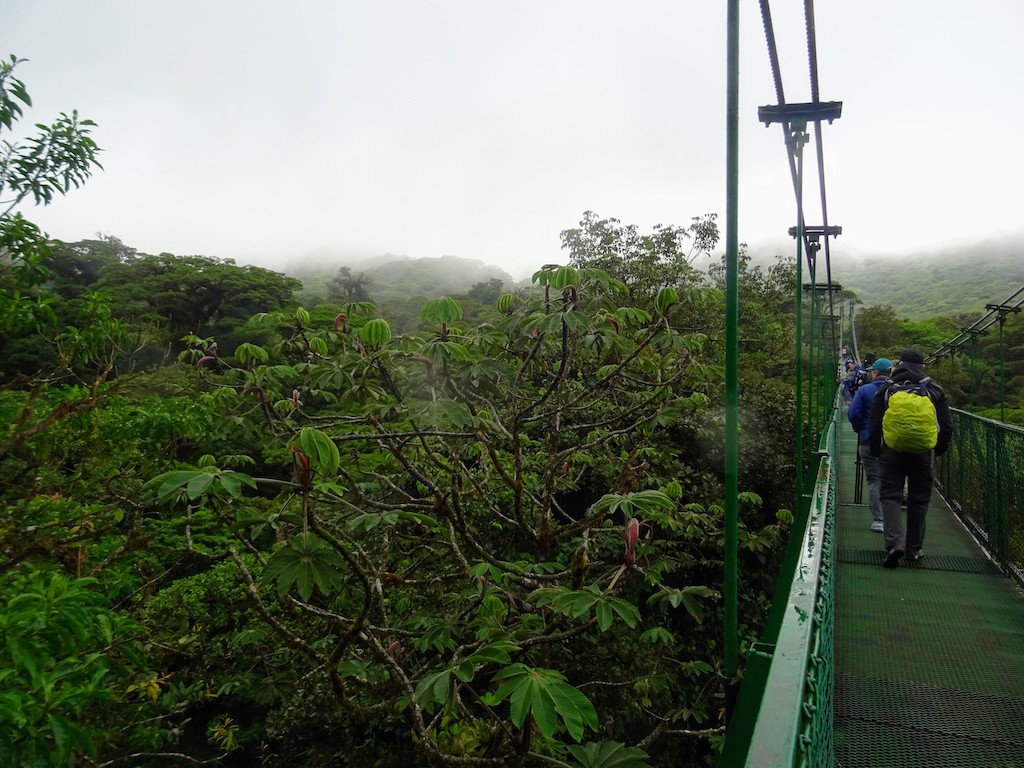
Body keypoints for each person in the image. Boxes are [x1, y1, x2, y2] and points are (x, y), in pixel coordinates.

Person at [868, 348, 954, 567]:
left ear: (898, 364)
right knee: (919, 499)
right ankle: (913, 550)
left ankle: (894, 544)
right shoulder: (933, 389)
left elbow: (875, 422)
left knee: (890, 496)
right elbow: (946, 427)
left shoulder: (887, 388)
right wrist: (937, 450)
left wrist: (877, 450)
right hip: (923, 453)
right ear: (922, 366)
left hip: (892, 451)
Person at [848, 357, 893, 532]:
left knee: (873, 480)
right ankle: (893, 520)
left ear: (874, 373)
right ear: (891, 372)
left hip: (867, 441)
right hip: (892, 443)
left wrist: (861, 430)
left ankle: (879, 520)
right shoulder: (897, 390)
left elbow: (853, 413)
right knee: (890, 481)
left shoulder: (865, 390)